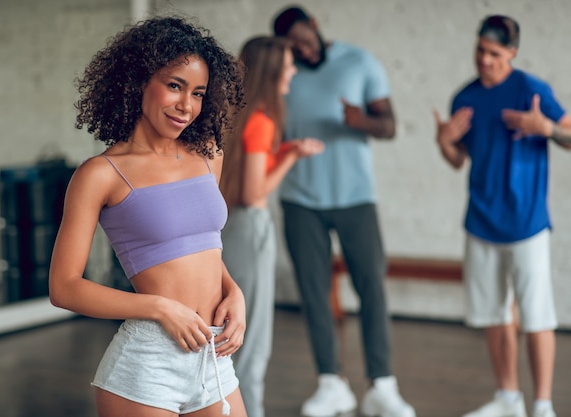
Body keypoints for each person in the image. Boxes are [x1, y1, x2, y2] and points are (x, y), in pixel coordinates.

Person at [48, 16, 248, 417]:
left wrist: (234, 292)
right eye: (174, 86)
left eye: (198, 93)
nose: (186, 106)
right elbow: (64, 287)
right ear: (138, 81)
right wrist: (159, 308)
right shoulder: (100, 174)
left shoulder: (208, 154)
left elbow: (201, 244)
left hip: (213, 356)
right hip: (148, 363)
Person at [271, 6, 416, 417]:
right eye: (293, 46)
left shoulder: (360, 61)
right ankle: (331, 384)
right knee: (314, 295)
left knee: (372, 288)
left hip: (356, 198)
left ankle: (382, 387)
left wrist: (361, 120)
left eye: (305, 40)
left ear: (316, 27)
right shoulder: (285, 72)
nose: (302, 50)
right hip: (300, 200)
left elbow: (389, 126)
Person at [434, 14, 571, 417]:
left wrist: (544, 126)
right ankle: (508, 398)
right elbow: (459, 160)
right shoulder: (465, 98)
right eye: (480, 50)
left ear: (511, 53)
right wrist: (444, 142)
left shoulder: (532, 90)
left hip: (527, 224)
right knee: (493, 314)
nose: (485, 59)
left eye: (494, 53)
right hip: (481, 222)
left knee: (536, 315)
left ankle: (542, 405)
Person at [219, 36, 324, 417]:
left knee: (227, 330)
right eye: (288, 65)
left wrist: (282, 152)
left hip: (228, 229)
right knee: (252, 338)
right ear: (271, 72)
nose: (293, 71)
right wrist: (290, 159)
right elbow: (253, 192)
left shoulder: (232, 115)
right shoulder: (262, 121)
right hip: (250, 227)